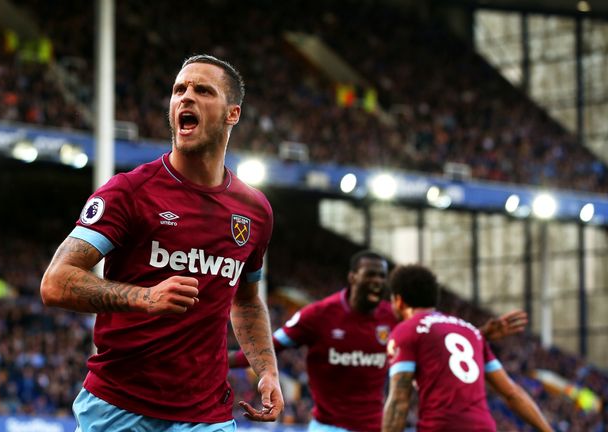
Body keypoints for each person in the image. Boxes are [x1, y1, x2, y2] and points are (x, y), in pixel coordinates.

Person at [40, 54, 283, 432]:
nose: (186, 97)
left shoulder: (255, 211)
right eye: (179, 90)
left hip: (207, 414)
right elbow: (56, 282)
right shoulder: (130, 191)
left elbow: (247, 301)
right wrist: (145, 298)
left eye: (203, 90)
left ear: (232, 113)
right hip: (119, 406)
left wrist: (266, 371)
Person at [229, 250, 527, 432]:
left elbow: (439, 339)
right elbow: (263, 350)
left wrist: (481, 333)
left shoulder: (393, 319)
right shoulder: (318, 316)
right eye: (370, 275)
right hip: (329, 428)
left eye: (382, 277)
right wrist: (213, 358)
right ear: (352, 277)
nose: (377, 282)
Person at [383, 264, 552, 432]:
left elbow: (399, 400)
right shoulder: (470, 331)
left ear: (398, 301)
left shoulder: (406, 331)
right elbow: (512, 393)